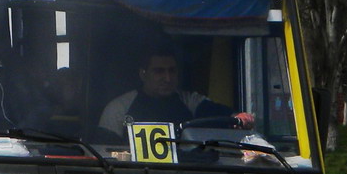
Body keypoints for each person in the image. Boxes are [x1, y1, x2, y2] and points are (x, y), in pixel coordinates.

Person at [97, 46, 254, 140]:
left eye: (172, 71)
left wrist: (237, 117)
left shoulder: (189, 101)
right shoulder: (118, 109)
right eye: (159, 71)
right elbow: (105, 151)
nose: (167, 78)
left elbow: (217, 112)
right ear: (143, 74)